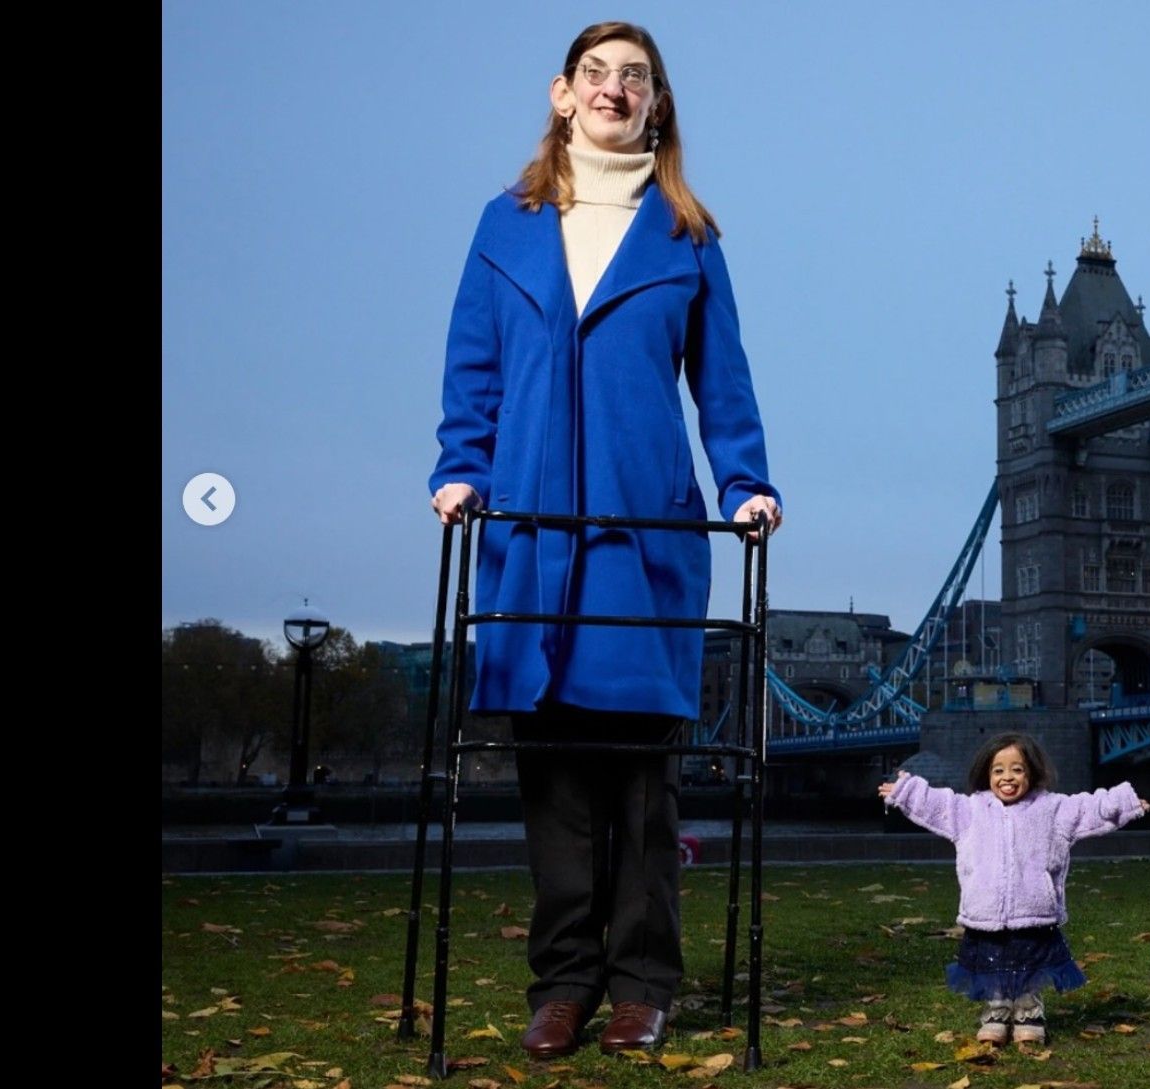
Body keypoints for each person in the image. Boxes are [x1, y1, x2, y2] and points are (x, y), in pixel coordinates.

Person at [428, 20, 784, 1060]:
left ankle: (642, 983)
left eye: (636, 77)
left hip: (642, 532)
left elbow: (723, 382)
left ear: (657, 104)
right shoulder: (506, 226)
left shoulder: (687, 237)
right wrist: (460, 465)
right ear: (561, 92)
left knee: (638, 779)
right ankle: (564, 983)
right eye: (598, 74)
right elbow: (473, 365)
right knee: (554, 780)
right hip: (531, 533)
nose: (615, 90)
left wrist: (747, 481)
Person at [878, 734, 1150, 1044]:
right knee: (993, 966)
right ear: (987, 775)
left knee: (1029, 966)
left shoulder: (1052, 809)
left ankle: (1028, 1011)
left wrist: (1125, 803)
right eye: (998, 770)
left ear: (1031, 772)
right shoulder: (970, 810)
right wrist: (907, 791)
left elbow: (1088, 808)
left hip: (1033, 911)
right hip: (986, 911)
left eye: (1017, 769)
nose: (1007, 777)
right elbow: (939, 804)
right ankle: (997, 1010)